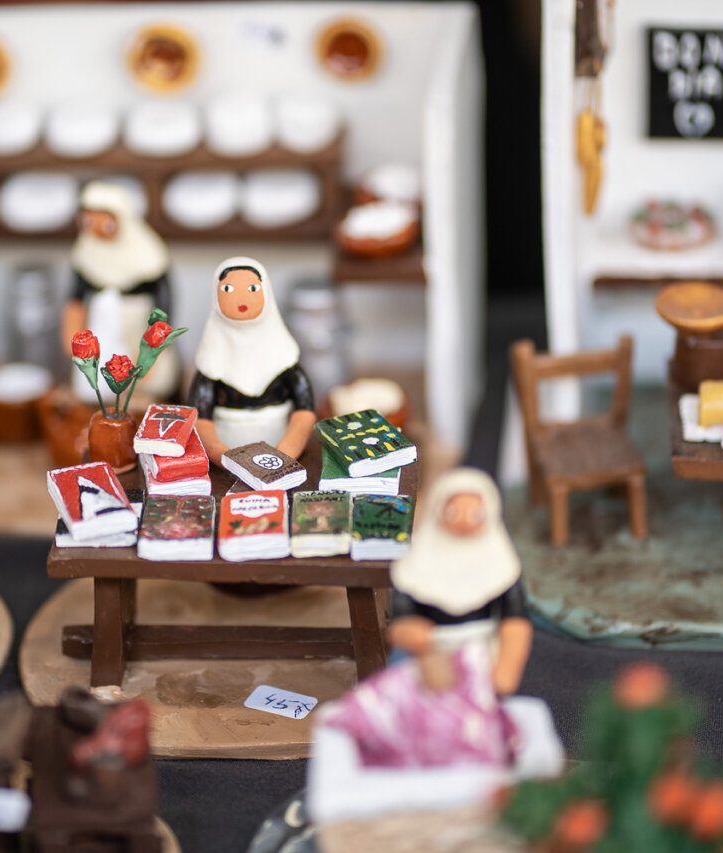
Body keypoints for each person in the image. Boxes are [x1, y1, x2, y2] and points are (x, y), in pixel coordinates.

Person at [321, 468, 532, 768]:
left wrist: (507, 667)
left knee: (484, 716)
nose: (463, 520)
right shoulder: (419, 560)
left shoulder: (501, 563)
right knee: (407, 704)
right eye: (454, 510)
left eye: (474, 514)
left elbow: (515, 620)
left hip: (482, 648)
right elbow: (403, 617)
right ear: (438, 508)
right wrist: (417, 640)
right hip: (427, 650)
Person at [186, 256, 316, 466]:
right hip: (227, 461)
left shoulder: (284, 355)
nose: (241, 299)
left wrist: (285, 452)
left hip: (280, 454)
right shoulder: (211, 359)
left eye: (252, 289)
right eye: (228, 289)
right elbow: (200, 417)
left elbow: (305, 410)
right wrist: (223, 456)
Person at [61, 181, 178, 405]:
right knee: (99, 381)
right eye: (88, 220)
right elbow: (75, 298)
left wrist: (152, 345)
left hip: (138, 326)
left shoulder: (148, 253)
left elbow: (165, 303)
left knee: (148, 379)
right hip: (100, 325)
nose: (95, 227)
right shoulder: (86, 251)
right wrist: (72, 333)